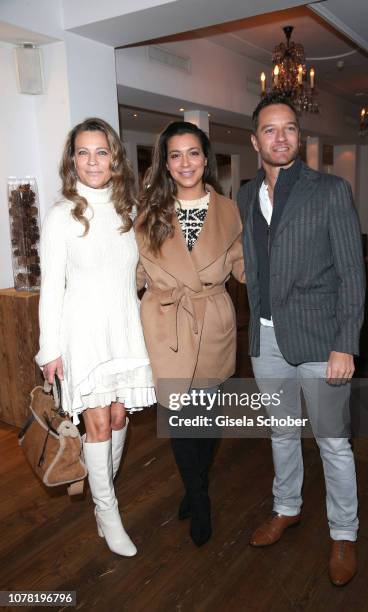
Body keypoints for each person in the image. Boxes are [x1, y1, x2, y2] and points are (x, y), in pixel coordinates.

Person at [237, 94, 365, 586]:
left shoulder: (331, 190)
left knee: (333, 442)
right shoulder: (247, 195)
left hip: (321, 341)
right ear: (255, 141)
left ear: (299, 136)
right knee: (283, 433)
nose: (281, 137)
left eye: (289, 128)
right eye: (270, 130)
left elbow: (353, 275)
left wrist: (344, 343)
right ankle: (287, 507)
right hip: (267, 341)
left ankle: (344, 532)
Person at [36, 117, 155, 557]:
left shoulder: (128, 212)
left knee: (120, 418)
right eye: (83, 152)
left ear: (114, 158)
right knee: (98, 422)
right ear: (72, 160)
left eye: (101, 151)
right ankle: (108, 512)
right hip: (82, 332)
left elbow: (140, 275)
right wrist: (50, 350)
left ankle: (103, 495)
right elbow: (51, 288)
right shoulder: (60, 216)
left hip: (125, 328)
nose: (92, 161)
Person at [135, 121, 245, 547]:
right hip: (168, 325)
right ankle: (199, 498)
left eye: (193, 153)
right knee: (181, 422)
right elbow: (138, 273)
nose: (185, 163)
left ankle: (193, 486)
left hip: (213, 319)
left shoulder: (229, 210)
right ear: (165, 162)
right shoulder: (149, 212)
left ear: (206, 158)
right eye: (175, 155)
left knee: (209, 422)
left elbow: (243, 266)